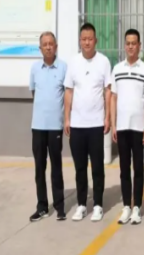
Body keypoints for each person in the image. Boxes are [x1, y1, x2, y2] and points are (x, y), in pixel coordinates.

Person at [64, 23, 112, 222]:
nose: (87, 42)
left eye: (90, 39)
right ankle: (82, 204)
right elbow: (69, 91)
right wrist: (67, 118)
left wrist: (107, 117)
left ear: (96, 40)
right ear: (80, 41)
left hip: (96, 124)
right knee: (80, 168)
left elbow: (108, 91)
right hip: (77, 124)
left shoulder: (103, 62)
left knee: (98, 167)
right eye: (83, 39)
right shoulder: (73, 62)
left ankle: (98, 204)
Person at [110, 29, 144, 226]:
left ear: (139, 46)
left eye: (134, 43)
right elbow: (113, 98)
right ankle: (127, 205)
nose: (131, 46)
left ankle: (137, 208)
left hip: (139, 127)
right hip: (122, 127)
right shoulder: (117, 69)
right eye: (128, 43)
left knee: (138, 168)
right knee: (124, 168)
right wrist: (113, 124)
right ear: (124, 45)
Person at [28, 31, 67, 222]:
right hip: (38, 127)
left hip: (55, 127)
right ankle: (42, 207)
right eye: (45, 44)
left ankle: (60, 207)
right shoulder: (35, 68)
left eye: (51, 44)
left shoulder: (64, 67)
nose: (48, 47)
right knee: (39, 168)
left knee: (56, 167)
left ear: (56, 46)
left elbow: (67, 96)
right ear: (40, 48)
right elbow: (34, 93)